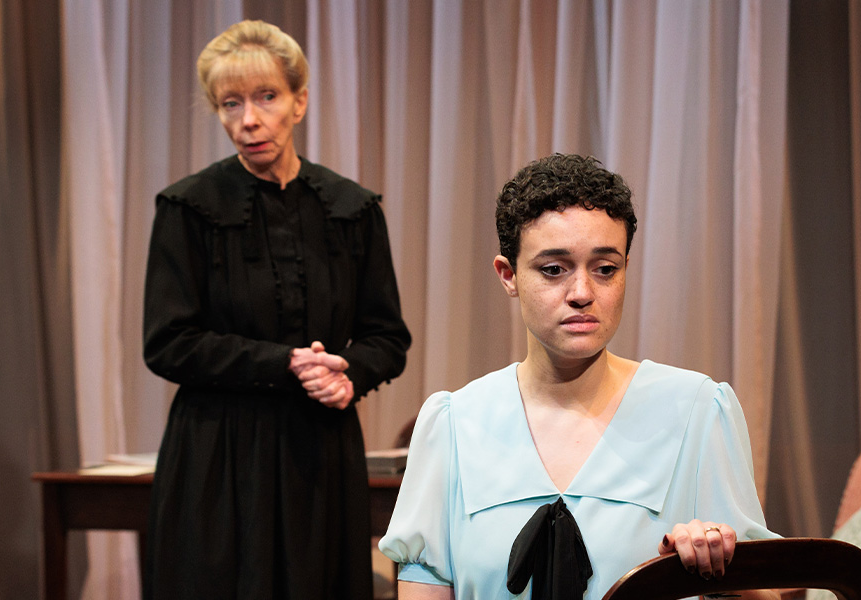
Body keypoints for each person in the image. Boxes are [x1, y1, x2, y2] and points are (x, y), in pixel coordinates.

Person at [378, 154, 777, 600]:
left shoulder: (697, 411)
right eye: (554, 270)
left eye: (605, 269)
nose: (583, 293)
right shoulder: (453, 425)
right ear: (508, 274)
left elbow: (759, 592)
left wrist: (718, 572)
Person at [142, 19, 410, 599]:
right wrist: (284, 362)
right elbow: (167, 341)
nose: (248, 120)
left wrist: (350, 377)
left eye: (266, 97)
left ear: (299, 101)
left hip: (319, 453)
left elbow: (387, 337)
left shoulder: (352, 209)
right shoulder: (188, 208)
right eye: (230, 103)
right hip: (217, 456)